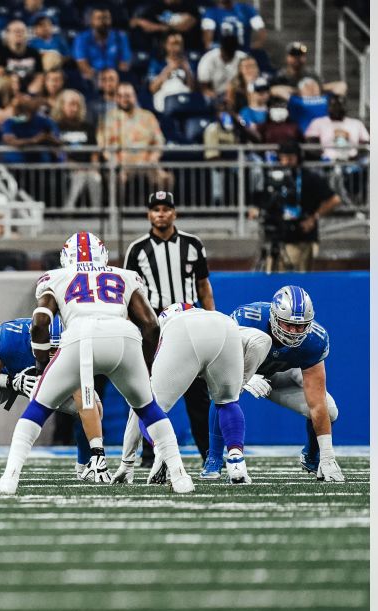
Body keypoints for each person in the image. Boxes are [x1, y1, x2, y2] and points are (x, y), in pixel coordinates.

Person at [0, 232, 195, 496]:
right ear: (104, 255)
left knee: (37, 409)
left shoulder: (57, 277)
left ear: (66, 257)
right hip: (123, 337)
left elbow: (40, 321)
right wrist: (146, 366)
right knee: (149, 408)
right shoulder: (123, 275)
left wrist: (42, 366)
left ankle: (10, 478)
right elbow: (150, 324)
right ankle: (180, 476)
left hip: (80, 337)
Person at [114, 303, 268, 485]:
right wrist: (244, 378)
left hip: (182, 332)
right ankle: (236, 461)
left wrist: (127, 461)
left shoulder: (168, 326)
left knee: (150, 406)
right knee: (228, 402)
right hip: (225, 326)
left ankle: (162, 451)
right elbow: (262, 340)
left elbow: (139, 409)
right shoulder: (217, 319)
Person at [0, 314, 105, 484]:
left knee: (93, 407)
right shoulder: (11, 337)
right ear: (34, 340)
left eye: (58, 349)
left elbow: (84, 401)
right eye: (49, 348)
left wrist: (98, 452)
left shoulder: (74, 347)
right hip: (9, 376)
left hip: (55, 380)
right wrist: (11, 382)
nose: (53, 355)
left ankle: (86, 466)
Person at [122, 190, 217, 465]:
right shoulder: (137, 249)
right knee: (150, 390)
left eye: (166, 208)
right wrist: (131, 329)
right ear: (149, 214)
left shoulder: (193, 244)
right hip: (154, 329)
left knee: (197, 395)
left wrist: (211, 317)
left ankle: (209, 454)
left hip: (189, 325)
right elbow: (129, 294)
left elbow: (203, 286)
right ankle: (150, 454)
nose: (161, 213)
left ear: (174, 212)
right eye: (156, 209)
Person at [223, 286, 344, 482]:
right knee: (224, 392)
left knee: (330, 411)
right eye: (288, 325)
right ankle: (212, 457)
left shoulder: (315, 339)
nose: (294, 332)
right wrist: (243, 376)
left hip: (283, 377)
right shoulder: (249, 317)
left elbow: (317, 402)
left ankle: (313, 456)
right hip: (247, 369)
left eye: (301, 326)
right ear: (274, 316)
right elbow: (221, 358)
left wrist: (328, 455)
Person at [246, 141, 340, 271]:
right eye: (283, 158)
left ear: (298, 158)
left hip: (302, 236)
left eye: (290, 158)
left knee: (299, 281)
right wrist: (257, 209)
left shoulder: (310, 178)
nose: (286, 162)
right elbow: (261, 201)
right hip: (277, 237)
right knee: (274, 278)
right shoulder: (273, 178)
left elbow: (334, 200)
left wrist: (314, 217)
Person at [98, 83, 172, 197]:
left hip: (146, 162)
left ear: (134, 96)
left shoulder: (148, 116)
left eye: (127, 96)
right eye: (120, 96)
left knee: (166, 179)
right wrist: (116, 162)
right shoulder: (109, 118)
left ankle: (160, 212)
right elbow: (104, 145)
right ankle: (118, 214)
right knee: (116, 178)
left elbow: (159, 141)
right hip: (121, 164)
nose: (124, 99)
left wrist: (153, 157)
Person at [73, 5, 131, 81]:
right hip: (92, 78)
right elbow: (82, 63)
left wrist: (112, 79)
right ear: (92, 21)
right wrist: (99, 79)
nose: (103, 22)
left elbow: (124, 63)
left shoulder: (120, 36)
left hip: (115, 78)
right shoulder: (81, 38)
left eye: (106, 18)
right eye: (99, 18)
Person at [304, 96, 369, 163]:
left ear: (346, 106)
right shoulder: (318, 122)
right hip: (326, 163)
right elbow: (310, 144)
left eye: (340, 105)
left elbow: (366, 144)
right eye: (334, 105)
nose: (337, 108)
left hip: (352, 162)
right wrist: (322, 156)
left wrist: (356, 157)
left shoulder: (356, 123)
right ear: (328, 107)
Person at [148, 31, 197, 112]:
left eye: (179, 44)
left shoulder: (188, 63)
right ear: (166, 45)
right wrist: (168, 70)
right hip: (164, 102)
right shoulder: (157, 63)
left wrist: (187, 70)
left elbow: (193, 89)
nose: (177, 47)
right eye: (173, 44)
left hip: (186, 102)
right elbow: (152, 88)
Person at [197, 23, 247, 97]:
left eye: (231, 53)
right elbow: (204, 88)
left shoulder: (242, 58)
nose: (228, 56)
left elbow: (249, 81)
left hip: (237, 94)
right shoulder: (207, 60)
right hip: (216, 95)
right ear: (221, 49)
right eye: (226, 53)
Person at [200, 0, 266, 52]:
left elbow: (261, 30)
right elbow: (208, 41)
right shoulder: (211, 12)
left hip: (243, 53)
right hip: (222, 54)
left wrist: (254, 46)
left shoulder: (247, 9)